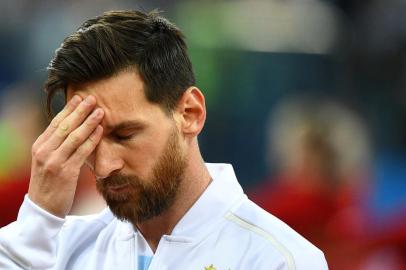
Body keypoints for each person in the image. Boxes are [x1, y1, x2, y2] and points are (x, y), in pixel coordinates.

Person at [0, 10, 327, 270]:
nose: (103, 166)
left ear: (190, 113)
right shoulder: (55, 249)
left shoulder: (280, 260)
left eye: (125, 135)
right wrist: (38, 218)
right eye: (89, 140)